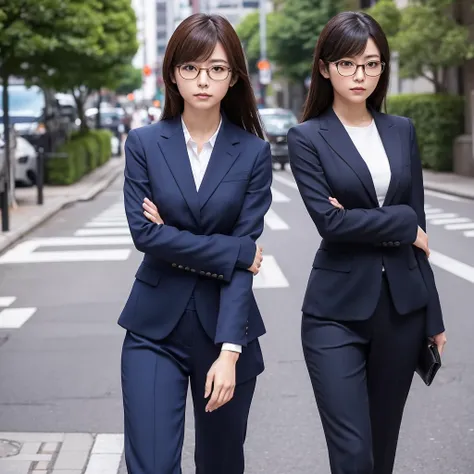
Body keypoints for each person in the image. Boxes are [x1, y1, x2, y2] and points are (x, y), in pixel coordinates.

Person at [287, 11, 447, 474]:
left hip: (401, 313)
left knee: (382, 454)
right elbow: (331, 225)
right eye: (348, 64)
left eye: (372, 64)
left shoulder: (401, 130)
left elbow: (421, 234)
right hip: (334, 315)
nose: (361, 75)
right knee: (353, 455)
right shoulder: (307, 138)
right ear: (324, 68)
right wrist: (398, 220)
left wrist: (432, 316)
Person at [118, 13, 272, 474]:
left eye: (217, 69)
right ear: (173, 74)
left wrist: (230, 351)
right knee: (151, 465)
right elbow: (145, 235)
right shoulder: (144, 143)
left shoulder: (253, 153)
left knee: (220, 464)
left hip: (225, 328)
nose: (203, 80)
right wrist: (233, 252)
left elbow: (239, 257)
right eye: (191, 68)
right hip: (153, 329)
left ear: (233, 78)